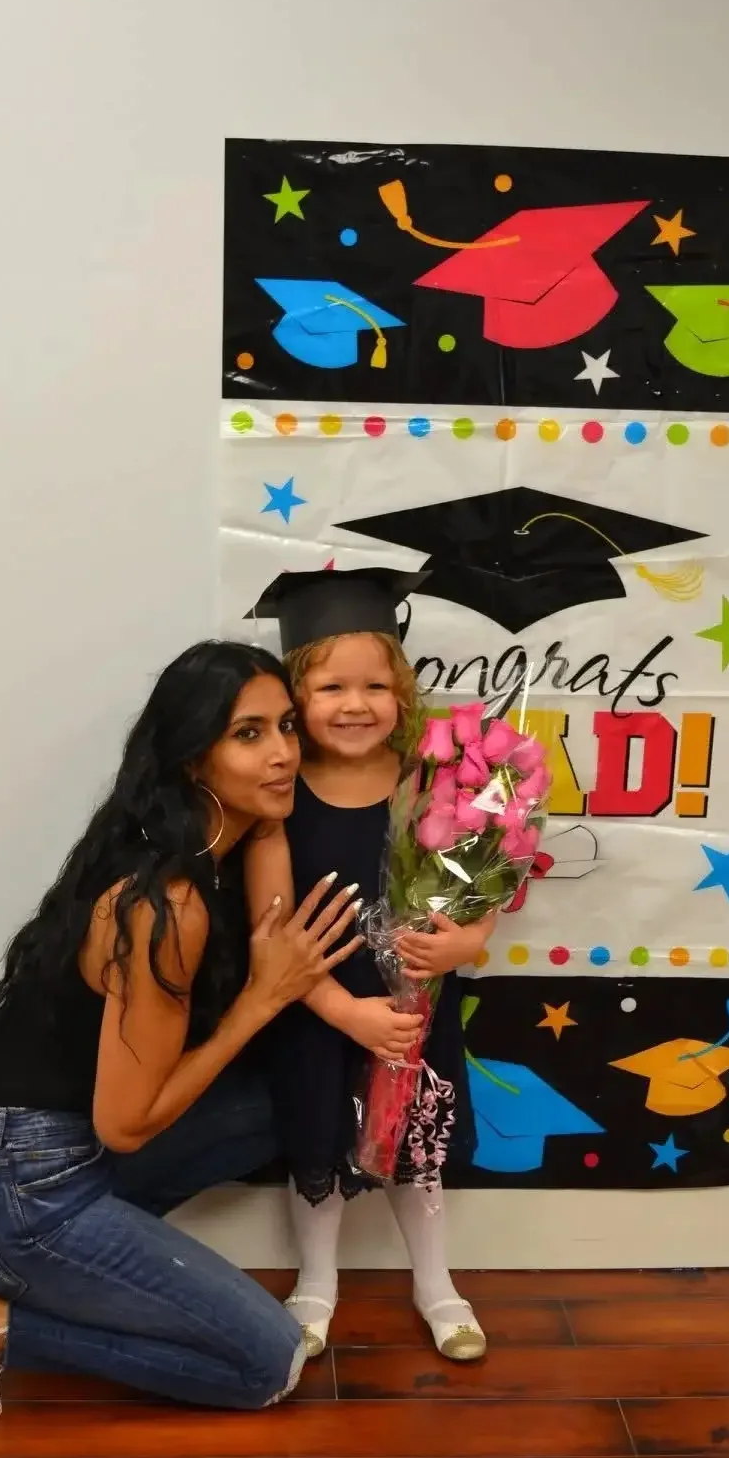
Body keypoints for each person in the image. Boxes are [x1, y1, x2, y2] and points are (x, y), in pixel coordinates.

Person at [0, 640, 362, 1442]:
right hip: (15, 1181)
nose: (283, 753)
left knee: (280, 1100)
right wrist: (257, 1001)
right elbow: (126, 1127)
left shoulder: (194, 841)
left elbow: (274, 871)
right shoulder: (167, 903)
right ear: (190, 758)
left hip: (25, 1143)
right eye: (248, 735)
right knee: (267, 1364)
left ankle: (64, 1268)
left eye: (286, 726)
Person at [246, 568, 496, 1363]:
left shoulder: (433, 782)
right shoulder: (280, 795)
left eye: (374, 686)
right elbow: (272, 928)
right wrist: (340, 1009)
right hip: (320, 1011)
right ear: (295, 696)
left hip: (414, 1010)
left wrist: (467, 943)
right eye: (330, 688)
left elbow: (482, 878)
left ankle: (436, 1283)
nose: (355, 705)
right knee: (317, 1143)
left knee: (415, 1151)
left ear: (402, 693)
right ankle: (317, 1279)